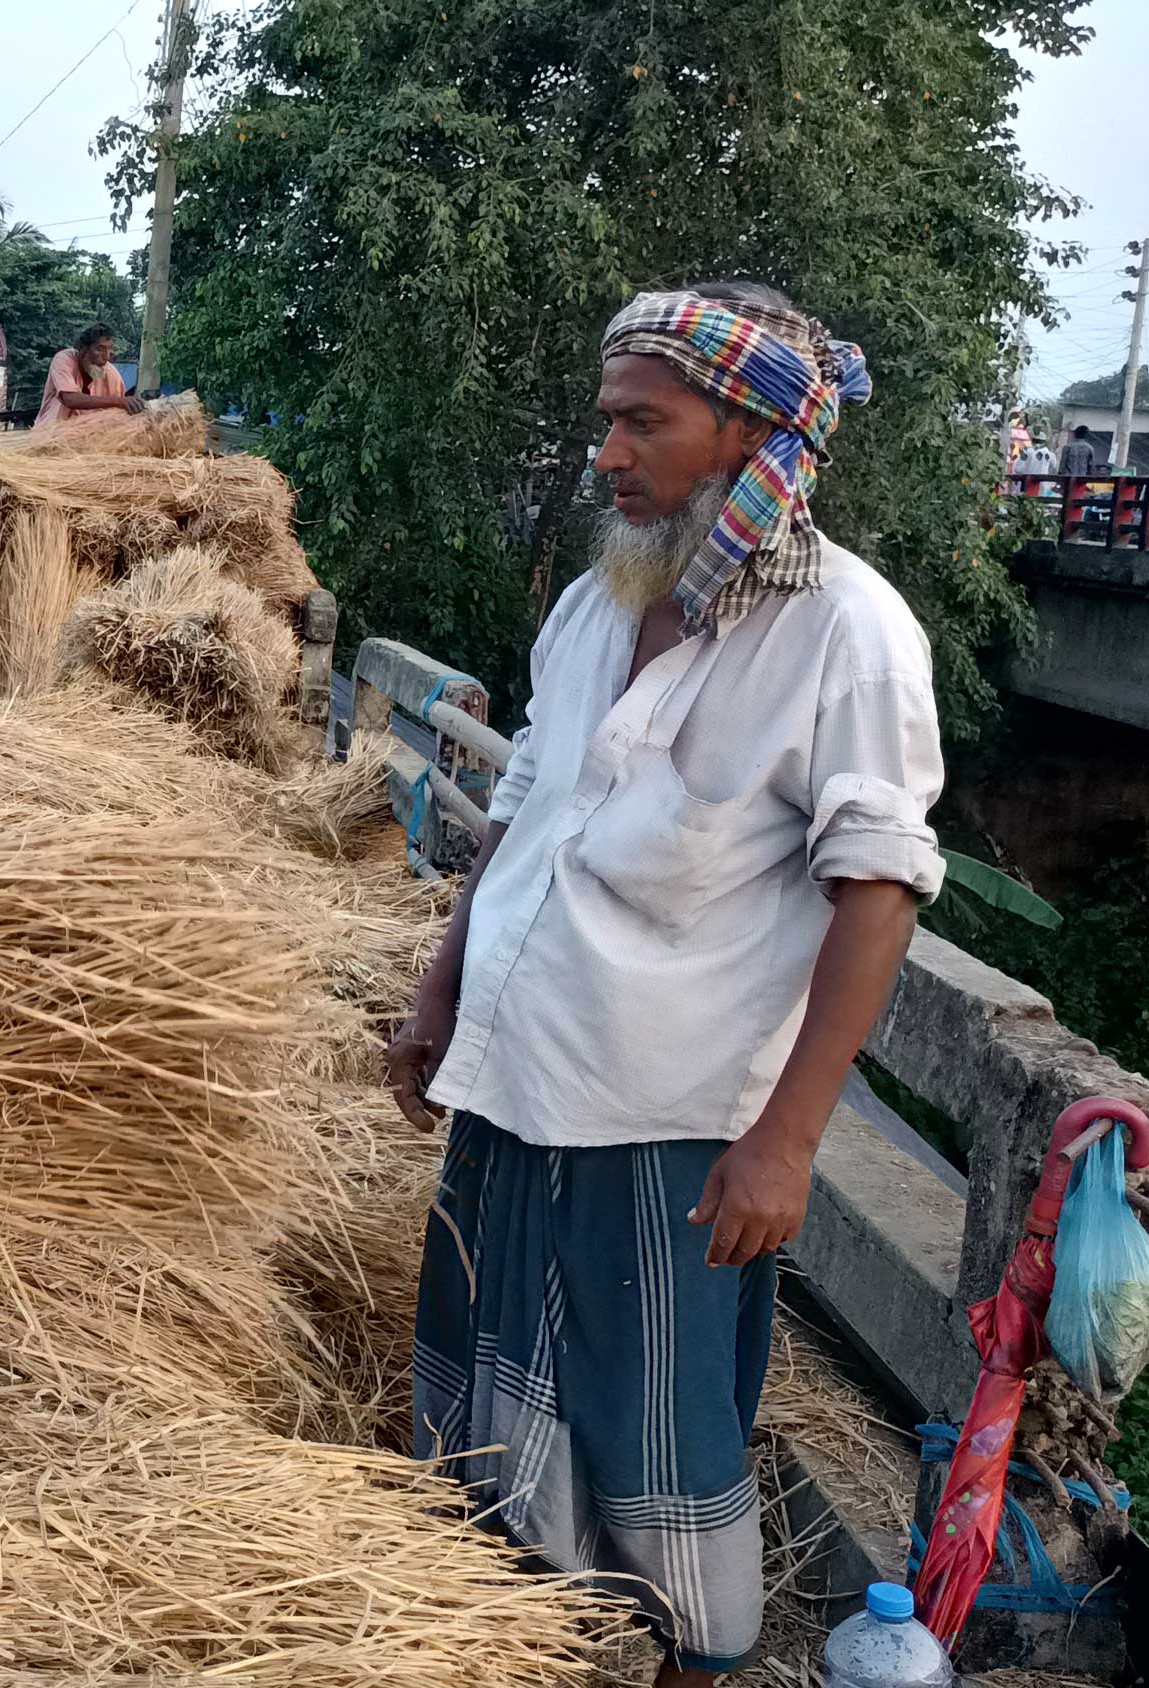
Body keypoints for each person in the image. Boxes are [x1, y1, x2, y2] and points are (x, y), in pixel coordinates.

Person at [386, 281, 941, 1685]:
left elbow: (876, 890)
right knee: (490, 1344)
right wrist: (439, 994)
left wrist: (788, 1143)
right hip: (522, 1064)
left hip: (669, 1106)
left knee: (651, 1410)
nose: (608, 454)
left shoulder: (846, 633)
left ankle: (688, 1656)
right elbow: (522, 812)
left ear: (754, 433)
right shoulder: (597, 603)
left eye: (645, 423)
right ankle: (510, 1621)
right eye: (607, 421)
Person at [34, 323, 142, 432]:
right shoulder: (64, 359)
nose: (106, 356)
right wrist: (119, 401)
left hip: (88, 438)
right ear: (83, 350)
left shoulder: (112, 374)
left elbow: (119, 411)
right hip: (51, 433)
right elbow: (70, 399)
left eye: (110, 349)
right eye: (100, 349)